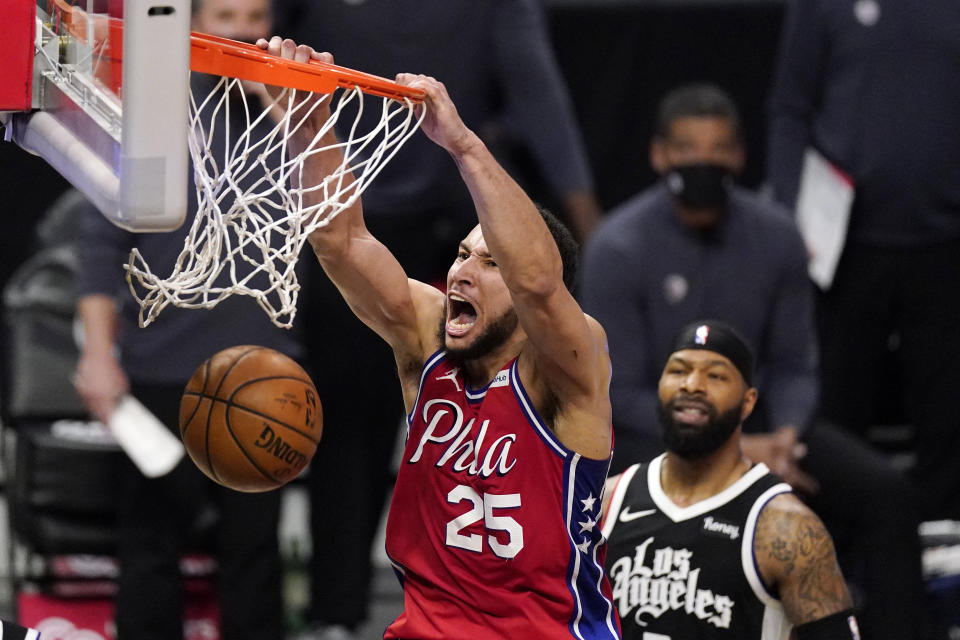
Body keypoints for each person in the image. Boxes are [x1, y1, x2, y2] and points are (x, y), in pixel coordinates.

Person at [260, 37, 620, 639]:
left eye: (487, 262)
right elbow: (344, 243)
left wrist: (462, 143)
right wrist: (307, 122)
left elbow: (535, 281)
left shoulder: (568, 367)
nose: (460, 272)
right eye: (461, 254)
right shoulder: (428, 343)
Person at [581, 83, 923, 639]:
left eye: (719, 149)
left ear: (740, 156)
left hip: (758, 419)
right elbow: (616, 392)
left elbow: (794, 364)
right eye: (688, 148)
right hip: (657, 428)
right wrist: (733, 450)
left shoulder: (778, 236)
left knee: (885, 493)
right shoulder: (617, 247)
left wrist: (783, 436)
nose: (704, 162)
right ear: (659, 154)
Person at [73, 1, 293, 639]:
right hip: (160, 368)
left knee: (254, 552)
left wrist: (278, 103)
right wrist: (96, 354)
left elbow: (339, 206)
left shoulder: (298, 120)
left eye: (255, 16)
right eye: (225, 15)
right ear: (193, 26)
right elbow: (98, 249)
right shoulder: (152, 112)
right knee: (150, 548)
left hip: (262, 374)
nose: (243, 30)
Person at [765, 0, 960, 526]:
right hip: (842, 244)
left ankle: (943, 546)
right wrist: (785, 217)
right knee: (836, 410)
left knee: (948, 409)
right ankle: (836, 547)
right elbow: (791, 106)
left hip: (946, 242)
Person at [601, 319, 860, 639]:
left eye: (715, 375)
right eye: (679, 371)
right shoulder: (607, 502)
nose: (692, 385)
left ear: (748, 401)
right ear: (660, 385)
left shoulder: (787, 529)